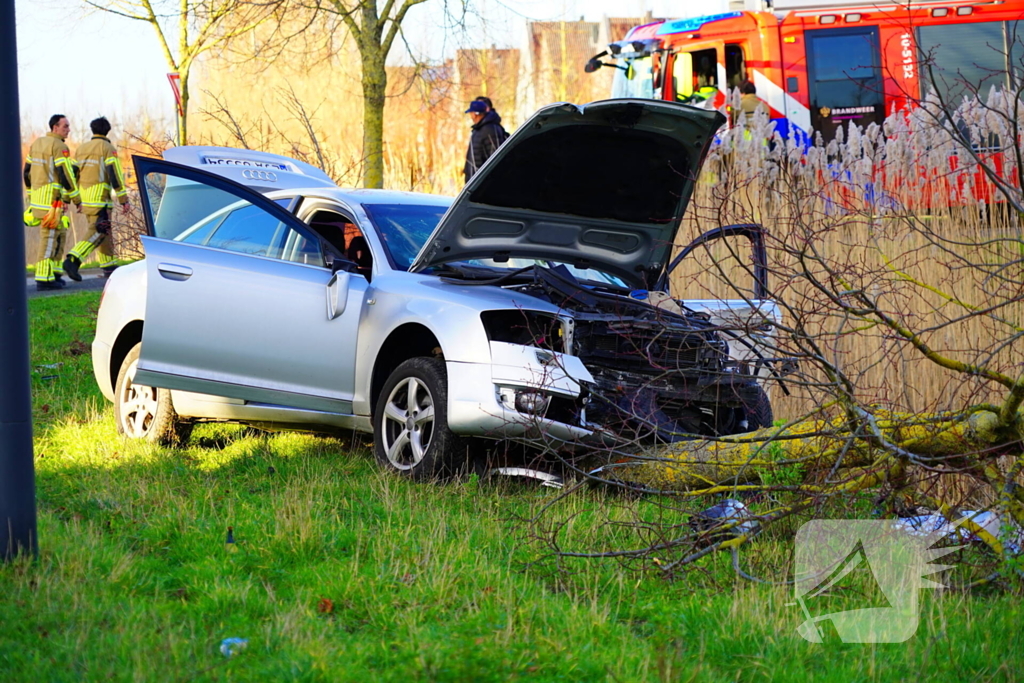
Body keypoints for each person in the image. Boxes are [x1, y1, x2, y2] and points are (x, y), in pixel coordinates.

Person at [63, 117, 129, 281]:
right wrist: (123, 199)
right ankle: (73, 259)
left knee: (104, 232)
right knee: (98, 231)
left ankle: (109, 266)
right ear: (108, 130)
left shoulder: (81, 149)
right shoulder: (108, 148)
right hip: (100, 198)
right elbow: (114, 175)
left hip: (85, 198)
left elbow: (72, 174)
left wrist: (69, 198)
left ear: (93, 130)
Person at [24, 114, 80, 290]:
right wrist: (76, 198)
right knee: (48, 239)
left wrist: (31, 194)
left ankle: (52, 275)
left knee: (58, 235)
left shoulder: (37, 144)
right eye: (65, 126)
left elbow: (27, 172)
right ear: (55, 127)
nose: (68, 129)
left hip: (39, 198)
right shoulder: (59, 146)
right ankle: (43, 280)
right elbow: (65, 173)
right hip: (51, 201)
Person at [463, 97, 508, 183]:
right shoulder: (479, 129)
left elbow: (496, 158)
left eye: (471, 113)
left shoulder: (490, 129)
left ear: (476, 114)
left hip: (482, 184)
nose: (471, 116)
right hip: (474, 182)